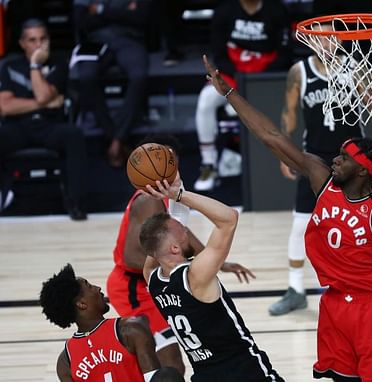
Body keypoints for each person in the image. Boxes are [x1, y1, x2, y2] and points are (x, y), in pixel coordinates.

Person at [203, 55, 372, 380]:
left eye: (344, 159)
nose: (335, 160)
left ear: (362, 170)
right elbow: (272, 136)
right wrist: (229, 93)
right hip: (333, 303)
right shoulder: (322, 180)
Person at [107, 133, 256, 376]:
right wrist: (180, 270)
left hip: (155, 281)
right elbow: (129, 259)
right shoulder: (148, 201)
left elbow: (180, 232)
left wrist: (218, 262)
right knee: (171, 362)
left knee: (171, 360)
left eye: (169, 160)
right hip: (132, 288)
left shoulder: (166, 200)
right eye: (160, 159)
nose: (168, 168)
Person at [268, 53, 372, 316]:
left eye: (329, 36)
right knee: (301, 224)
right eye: (320, 36)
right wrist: (284, 155)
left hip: (352, 160)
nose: (325, 42)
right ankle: (295, 289)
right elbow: (288, 115)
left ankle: (367, 285)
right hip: (313, 159)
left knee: (360, 225)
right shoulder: (299, 71)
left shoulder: (356, 68)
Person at [139, 178, 284, 381]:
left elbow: (158, 241)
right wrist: (179, 195)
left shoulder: (152, 279)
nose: (187, 230)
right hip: (244, 372)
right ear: (174, 248)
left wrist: (174, 185)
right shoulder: (195, 276)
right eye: (184, 231)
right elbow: (229, 218)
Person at [194, 0, 291, 191]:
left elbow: (285, 54)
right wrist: (241, 82)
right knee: (205, 101)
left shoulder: (276, 10)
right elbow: (219, 55)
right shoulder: (224, 11)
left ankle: (270, 158)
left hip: (264, 78)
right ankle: (209, 164)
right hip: (233, 75)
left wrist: (258, 81)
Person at [0, 18, 88, 220]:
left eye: (42, 39)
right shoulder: (9, 67)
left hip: (49, 126)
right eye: (32, 40)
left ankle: (75, 202)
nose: (38, 45)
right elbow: (5, 106)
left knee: (73, 135)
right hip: (18, 127)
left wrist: (34, 65)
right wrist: (45, 103)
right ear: (22, 43)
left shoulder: (59, 64)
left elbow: (40, 94)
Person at [40, 263, 162, 381]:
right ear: (81, 304)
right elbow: (155, 379)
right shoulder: (132, 329)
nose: (98, 288)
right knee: (169, 376)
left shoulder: (65, 362)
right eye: (89, 286)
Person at [73, 0, 151, 167]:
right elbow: (81, 21)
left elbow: (142, 18)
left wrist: (100, 10)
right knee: (86, 76)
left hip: (129, 38)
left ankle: (116, 139)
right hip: (94, 40)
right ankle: (115, 136)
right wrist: (122, 13)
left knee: (139, 75)